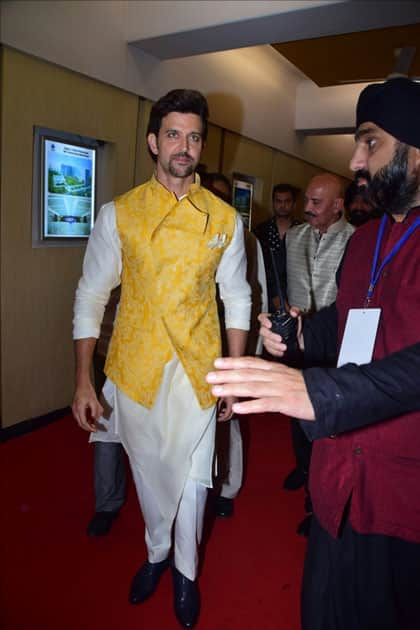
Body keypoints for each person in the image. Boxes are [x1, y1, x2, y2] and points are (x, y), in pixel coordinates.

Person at [206, 76, 420, 630]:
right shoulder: (368, 239)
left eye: (370, 141)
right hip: (336, 477)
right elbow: (352, 326)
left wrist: (316, 390)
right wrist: (302, 336)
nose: (355, 159)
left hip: (400, 494)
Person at [72, 89, 251, 629]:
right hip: (137, 369)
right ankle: (155, 554)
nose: (184, 146)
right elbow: (90, 295)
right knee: (150, 476)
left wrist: (233, 376)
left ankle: (186, 574)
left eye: (194, 136)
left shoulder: (223, 219)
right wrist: (83, 379)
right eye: (173, 134)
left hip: (197, 370)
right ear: (154, 141)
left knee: (196, 479)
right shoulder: (120, 213)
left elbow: (239, 297)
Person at [283, 174, 354, 537]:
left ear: (339, 205)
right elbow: (285, 281)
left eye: (317, 203)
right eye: (306, 201)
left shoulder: (357, 242)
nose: (307, 209)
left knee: (327, 425)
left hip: (334, 348)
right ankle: (303, 467)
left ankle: (320, 501)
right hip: (298, 345)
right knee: (296, 416)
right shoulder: (292, 237)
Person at [202, 172, 268, 518]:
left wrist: (248, 355)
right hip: (194, 344)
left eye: (222, 196)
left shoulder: (246, 238)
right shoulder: (188, 231)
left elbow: (257, 294)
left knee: (229, 416)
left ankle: (228, 488)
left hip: (231, 342)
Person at [86, 286, 127, 537]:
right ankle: (107, 504)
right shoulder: (110, 250)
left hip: (160, 354)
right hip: (110, 348)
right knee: (107, 433)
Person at [253, 183, 300, 310]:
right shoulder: (261, 230)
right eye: (278, 201)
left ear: (294, 203)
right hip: (265, 292)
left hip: (295, 294)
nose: (282, 205)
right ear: (273, 203)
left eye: (287, 201)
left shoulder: (303, 231)